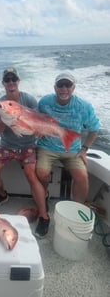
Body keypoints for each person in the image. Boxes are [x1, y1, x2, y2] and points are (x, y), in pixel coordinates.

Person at [0, 67, 50, 238]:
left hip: (27, 145)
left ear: (18, 81)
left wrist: (39, 129)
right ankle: (2, 195)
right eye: (7, 80)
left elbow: (37, 120)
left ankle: (44, 215)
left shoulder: (28, 99)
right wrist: (2, 117)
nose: (11, 82)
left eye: (13, 79)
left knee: (31, 174)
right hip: (6, 145)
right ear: (3, 83)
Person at [36, 72, 99, 205]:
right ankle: (44, 195)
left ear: (73, 88)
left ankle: (77, 207)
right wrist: (38, 130)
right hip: (47, 147)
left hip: (73, 149)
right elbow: (36, 120)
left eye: (68, 85)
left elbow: (93, 129)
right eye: (60, 85)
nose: (64, 89)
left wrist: (84, 149)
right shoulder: (44, 102)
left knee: (82, 177)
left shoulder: (83, 106)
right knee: (41, 172)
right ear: (55, 88)